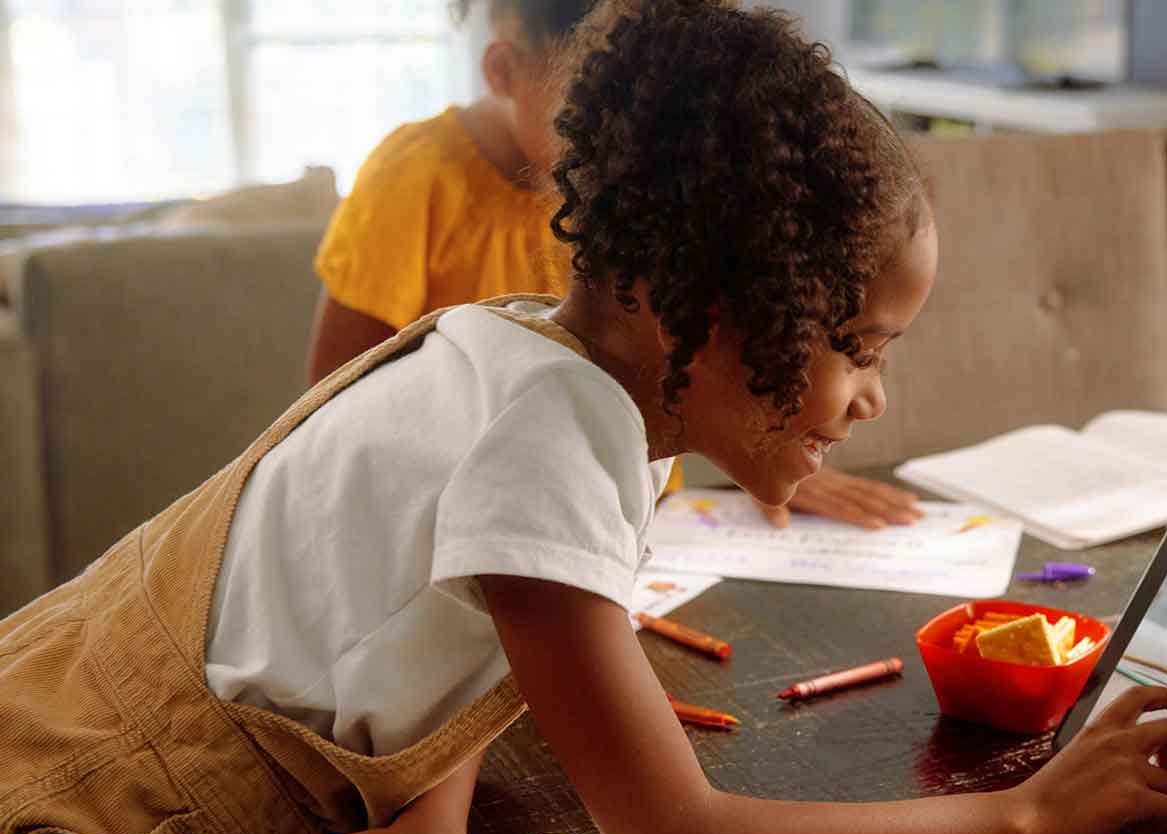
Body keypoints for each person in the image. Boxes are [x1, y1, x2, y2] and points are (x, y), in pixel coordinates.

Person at [0, 2, 1167, 834]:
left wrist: (434, 831)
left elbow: (442, 638)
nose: (874, 398)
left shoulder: (518, 352)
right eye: (857, 348)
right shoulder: (551, 439)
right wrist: (1027, 815)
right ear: (700, 315)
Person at [305, 0, 923, 530]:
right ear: (504, 69)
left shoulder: (660, 209)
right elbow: (335, 412)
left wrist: (770, 444)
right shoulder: (420, 179)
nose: (644, 146)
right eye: (608, 104)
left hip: (643, 531)